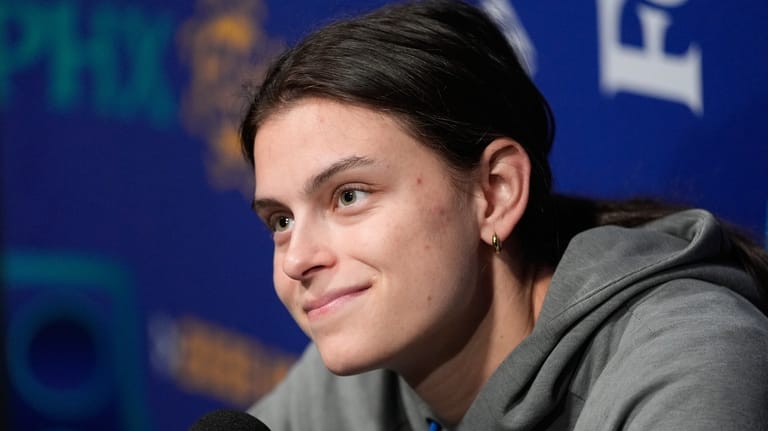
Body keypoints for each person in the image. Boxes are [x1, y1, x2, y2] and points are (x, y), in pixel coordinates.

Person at [238, 1, 768, 429]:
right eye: (281, 220)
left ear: (495, 192)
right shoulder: (360, 368)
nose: (298, 261)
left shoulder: (688, 366)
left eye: (348, 196)